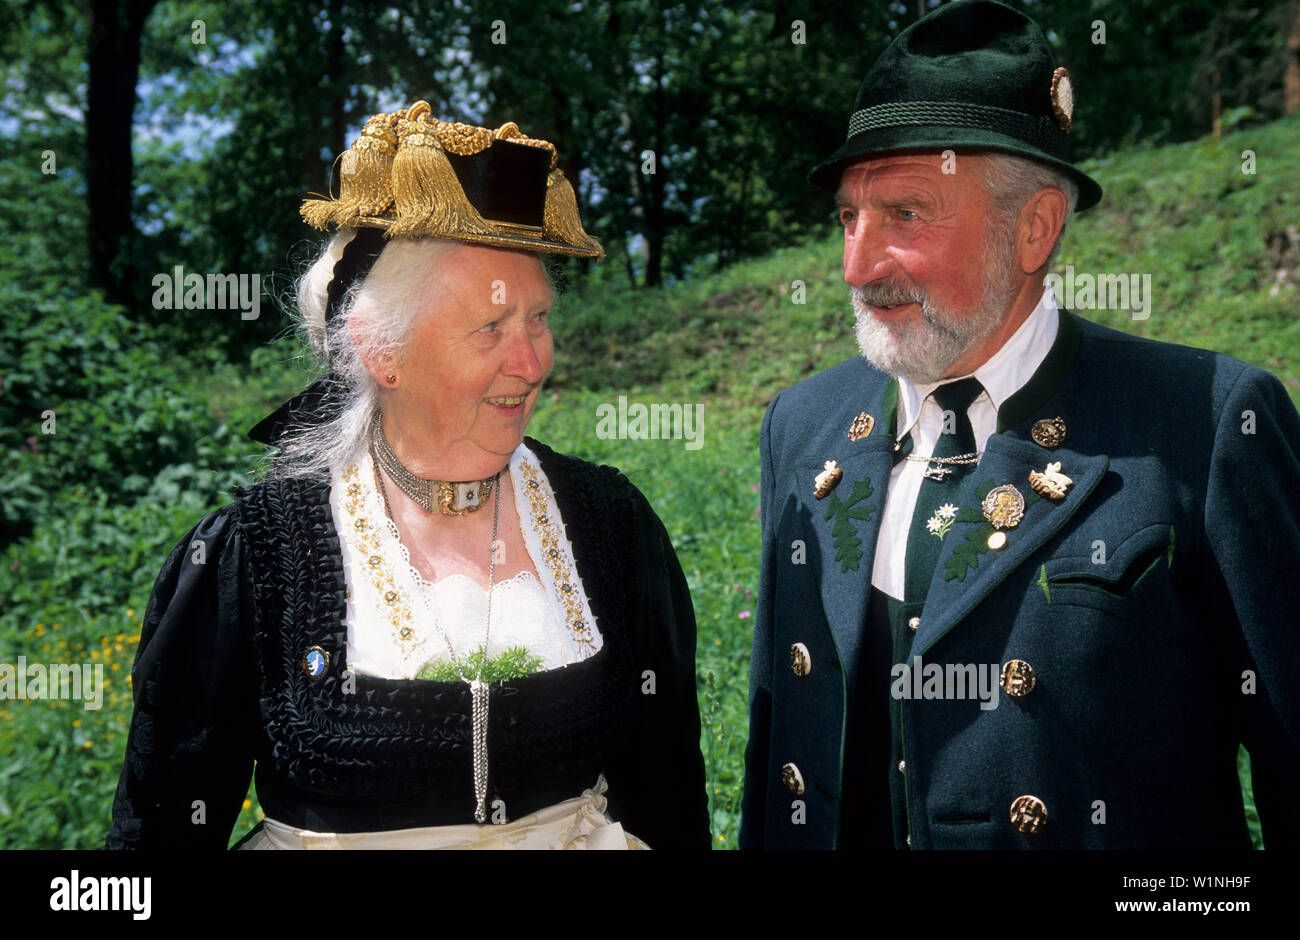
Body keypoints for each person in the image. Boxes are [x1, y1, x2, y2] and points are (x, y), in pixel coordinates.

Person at [740, 0, 1300, 849]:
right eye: (849, 217)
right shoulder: (804, 423)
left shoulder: (1205, 424)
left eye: (905, 215)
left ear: (1033, 227)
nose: (856, 266)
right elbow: (776, 759)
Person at [106, 102, 710, 849]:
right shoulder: (260, 553)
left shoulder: (609, 522)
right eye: (489, 328)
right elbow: (159, 828)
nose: (531, 363)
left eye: (538, 319)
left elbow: (668, 791)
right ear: (378, 350)